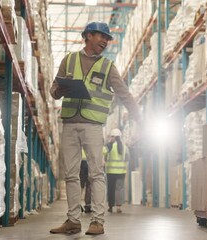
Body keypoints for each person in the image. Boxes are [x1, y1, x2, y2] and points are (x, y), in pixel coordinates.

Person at [49, 22, 141, 235]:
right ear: (88, 35)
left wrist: (139, 117)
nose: (105, 42)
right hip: (69, 123)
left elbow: (124, 93)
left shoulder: (108, 67)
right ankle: (73, 220)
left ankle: (97, 221)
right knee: (71, 175)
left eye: (108, 39)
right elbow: (54, 90)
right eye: (102, 37)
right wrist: (60, 89)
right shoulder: (69, 60)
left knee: (96, 174)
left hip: (92, 125)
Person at [103, 128, 129, 213]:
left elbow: (103, 153)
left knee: (111, 189)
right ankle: (119, 207)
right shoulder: (124, 147)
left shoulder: (109, 146)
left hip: (110, 172)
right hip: (121, 172)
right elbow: (128, 158)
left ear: (112, 137)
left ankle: (110, 206)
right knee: (119, 189)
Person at [80, 149, 92, 213]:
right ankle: (88, 205)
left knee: (80, 184)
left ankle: (77, 204)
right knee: (89, 185)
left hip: (80, 161)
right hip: (89, 161)